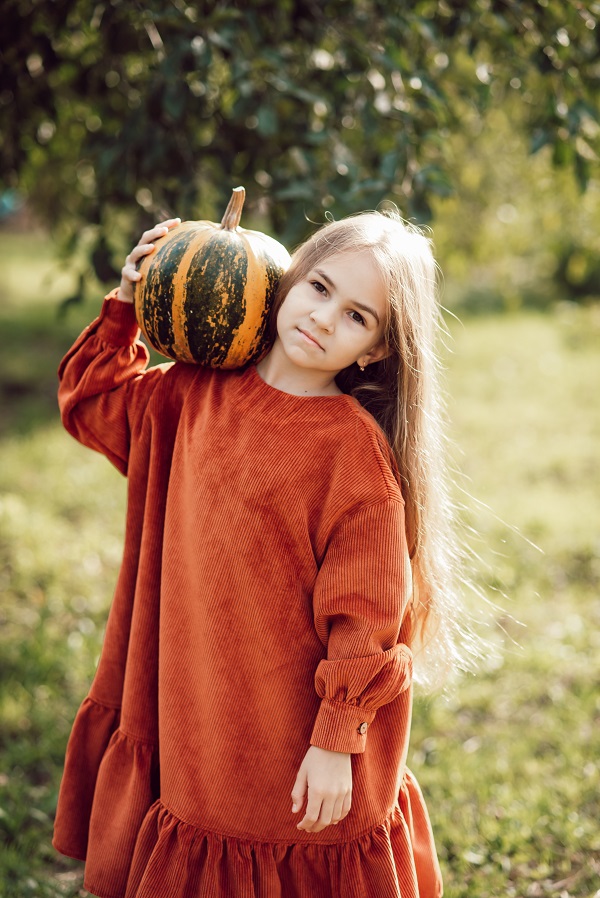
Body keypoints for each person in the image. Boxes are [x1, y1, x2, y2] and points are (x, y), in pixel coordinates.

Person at [52, 208, 467, 898]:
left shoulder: (352, 455)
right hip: (196, 702)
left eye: (357, 317)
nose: (325, 318)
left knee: (276, 844)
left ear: (375, 351)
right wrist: (126, 303)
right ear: (288, 279)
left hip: (289, 724)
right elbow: (92, 402)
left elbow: (366, 618)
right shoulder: (192, 390)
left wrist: (334, 741)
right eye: (320, 288)